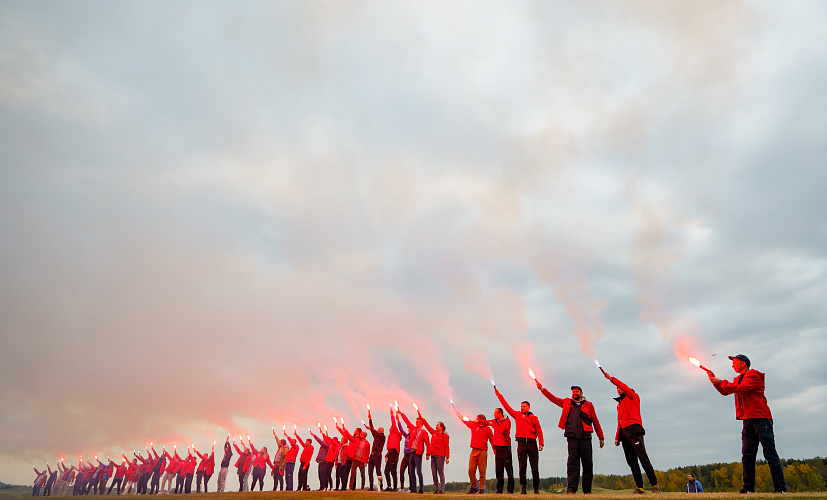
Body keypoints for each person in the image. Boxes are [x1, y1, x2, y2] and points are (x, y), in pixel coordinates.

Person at [708, 354, 787, 494]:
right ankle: (748, 488)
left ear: (743, 363)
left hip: (761, 417)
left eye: (735, 362)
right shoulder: (737, 380)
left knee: (769, 452)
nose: (732, 365)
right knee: (747, 455)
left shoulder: (754, 376)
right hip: (747, 419)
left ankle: (780, 488)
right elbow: (726, 391)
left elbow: (742, 389)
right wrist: (715, 382)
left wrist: (721, 381)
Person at [535, 381, 604, 495]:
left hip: (585, 437)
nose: (574, 393)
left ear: (581, 393)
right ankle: (571, 490)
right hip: (572, 437)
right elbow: (553, 399)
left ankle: (587, 491)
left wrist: (601, 437)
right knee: (572, 464)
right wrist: (542, 389)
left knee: (587, 464)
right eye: (573, 392)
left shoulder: (589, 405)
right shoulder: (566, 402)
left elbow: (595, 421)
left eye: (577, 391)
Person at [602, 370, 659, 494]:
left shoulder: (633, 397)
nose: (618, 389)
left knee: (643, 457)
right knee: (631, 461)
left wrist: (611, 379)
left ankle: (654, 485)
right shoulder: (620, 404)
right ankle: (640, 488)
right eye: (617, 389)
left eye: (620, 388)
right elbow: (619, 421)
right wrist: (617, 437)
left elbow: (623, 386)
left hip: (634, 430)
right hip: (624, 434)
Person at [494, 387, 544, 494]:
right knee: (522, 468)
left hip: (532, 444)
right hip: (521, 444)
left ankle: (536, 489)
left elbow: (539, 430)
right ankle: (523, 489)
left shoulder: (534, 418)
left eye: (524, 406)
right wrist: (499, 396)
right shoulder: (517, 415)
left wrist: (541, 443)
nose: (522, 408)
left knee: (535, 467)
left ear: (529, 407)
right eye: (521, 406)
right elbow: (506, 407)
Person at [455, 409, 495, 494]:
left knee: (482, 471)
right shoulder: (473, 426)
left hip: (483, 451)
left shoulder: (488, 429)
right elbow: (464, 420)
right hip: (474, 450)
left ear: (481, 420)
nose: (475, 420)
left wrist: (495, 450)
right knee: (471, 470)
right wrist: (458, 413)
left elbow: (492, 440)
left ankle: (481, 488)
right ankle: (474, 487)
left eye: (477, 419)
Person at [399, 409, 430, 494]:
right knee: (411, 471)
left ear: (421, 423)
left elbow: (427, 443)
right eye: (416, 421)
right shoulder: (413, 429)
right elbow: (407, 421)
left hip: (418, 453)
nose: (416, 422)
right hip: (411, 452)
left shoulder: (424, 432)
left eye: (418, 421)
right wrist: (401, 413)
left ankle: (421, 489)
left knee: (418, 471)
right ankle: (413, 488)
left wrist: (428, 453)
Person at [420, 415, 450, 494]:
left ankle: (442, 489)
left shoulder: (445, 436)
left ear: (441, 427)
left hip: (440, 456)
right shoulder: (434, 433)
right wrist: (422, 418)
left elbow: (446, 447)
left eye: (438, 425)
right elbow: (427, 426)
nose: (436, 426)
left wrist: (447, 457)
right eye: (436, 425)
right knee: (434, 473)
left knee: (440, 473)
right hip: (433, 455)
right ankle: (437, 489)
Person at [489, 407, 515, 494]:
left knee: (509, 470)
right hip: (498, 448)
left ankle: (510, 490)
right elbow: (486, 422)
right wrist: (476, 421)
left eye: (495, 413)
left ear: (500, 414)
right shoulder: (494, 422)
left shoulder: (507, 421)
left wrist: (497, 426)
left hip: (505, 448)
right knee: (498, 471)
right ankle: (499, 490)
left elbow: (504, 429)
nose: (494, 415)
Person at [364, 410, 386, 491]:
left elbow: (374, 431)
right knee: (370, 471)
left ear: (382, 431)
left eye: (381, 429)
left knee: (378, 471)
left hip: (377, 455)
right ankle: (371, 487)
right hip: (372, 455)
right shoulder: (376, 436)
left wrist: (370, 428)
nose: (379, 430)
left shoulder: (382, 437)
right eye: (379, 429)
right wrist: (370, 419)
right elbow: (372, 429)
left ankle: (381, 487)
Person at [384, 408, 402, 491]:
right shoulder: (389, 436)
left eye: (391, 428)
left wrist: (392, 415)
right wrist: (387, 454)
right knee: (386, 471)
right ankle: (389, 486)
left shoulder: (398, 434)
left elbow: (394, 424)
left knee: (393, 470)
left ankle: (395, 487)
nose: (389, 429)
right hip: (390, 453)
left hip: (395, 453)